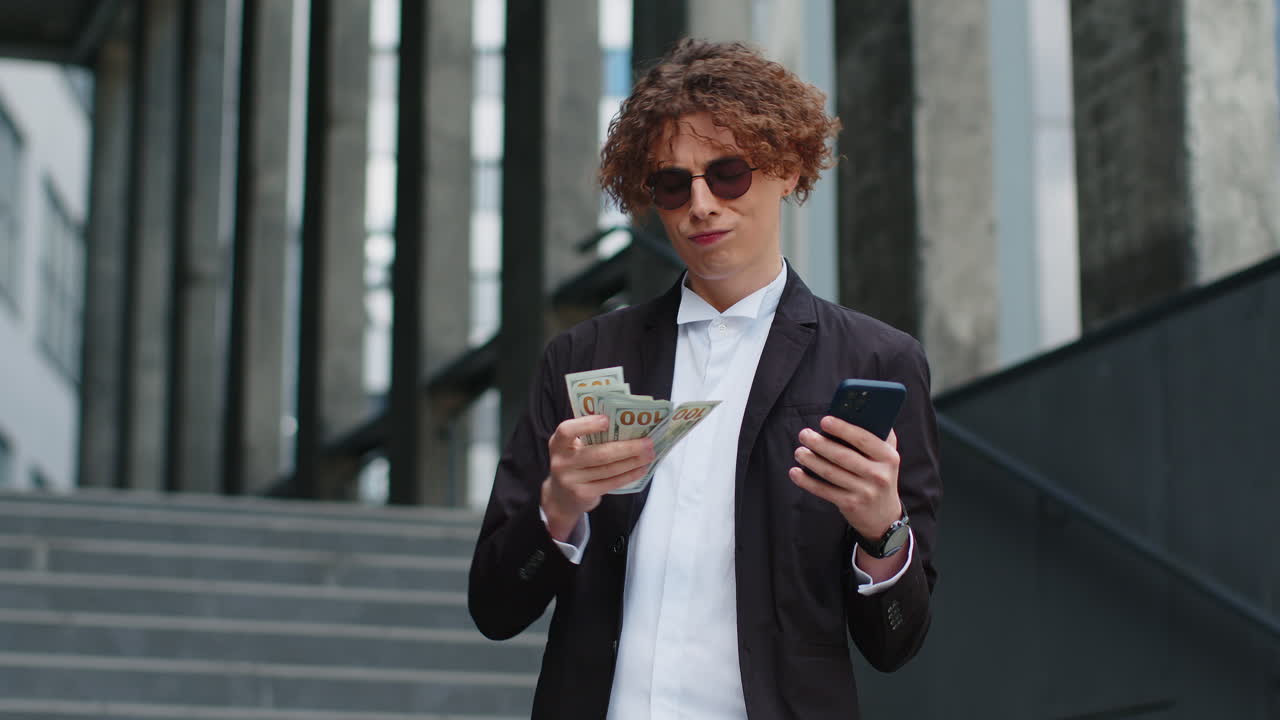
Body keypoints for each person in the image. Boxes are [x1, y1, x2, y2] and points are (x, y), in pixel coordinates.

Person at [469, 38, 942, 719]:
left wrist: (883, 534)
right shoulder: (581, 356)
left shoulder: (876, 361)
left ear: (787, 169)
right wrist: (556, 511)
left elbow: (896, 643)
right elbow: (494, 607)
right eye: (672, 183)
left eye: (727, 173)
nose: (701, 204)